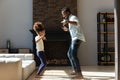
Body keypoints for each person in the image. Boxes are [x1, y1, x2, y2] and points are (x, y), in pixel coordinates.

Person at [61, 7, 86, 79]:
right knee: (69, 54)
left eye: (64, 14)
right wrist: (68, 29)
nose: (63, 16)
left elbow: (76, 23)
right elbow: (74, 28)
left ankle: (79, 73)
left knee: (73, 54)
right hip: (75, 38)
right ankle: (75, 70)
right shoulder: (70, 19)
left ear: (68, 12)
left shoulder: (73, 17)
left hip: (77, 38)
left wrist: (67, 21)